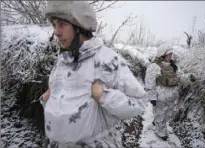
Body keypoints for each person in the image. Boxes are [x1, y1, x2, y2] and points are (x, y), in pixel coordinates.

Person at [40, 1, 148, 147]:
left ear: (80, 27)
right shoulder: (63, 62)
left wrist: (104, 96)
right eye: (54, 25)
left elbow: (139, 102)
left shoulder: (107, 60)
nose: (56, 32)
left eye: (62, 24)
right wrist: (47, 99)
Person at [145, 45, 180, 141]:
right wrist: (152, 97)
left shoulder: (173, 66)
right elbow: (149, 82)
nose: (170, 57)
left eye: (171, 55)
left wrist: (189, 78)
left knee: (169, 114)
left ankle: (157, 123)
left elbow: (179, 77)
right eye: (169, 55)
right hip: (160, 96)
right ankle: (160, 131)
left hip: (171, 97)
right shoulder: (154, 67)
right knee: (160, 114)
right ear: (162, 55)